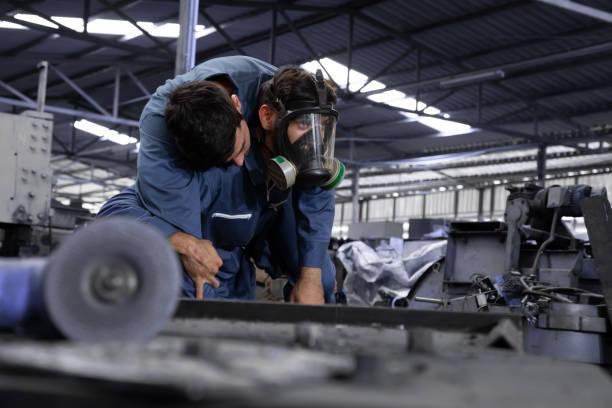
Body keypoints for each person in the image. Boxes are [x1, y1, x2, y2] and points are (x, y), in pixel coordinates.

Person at [98, 56, 340, 304]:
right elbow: (190, 241)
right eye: (230, 157)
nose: (240, 161)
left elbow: (315, 187)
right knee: (190, 273)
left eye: (242, 147)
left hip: (269, 200)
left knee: (321, 278)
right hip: (222, 207)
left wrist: (311, 276)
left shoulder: (291, 99)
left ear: (240, 106)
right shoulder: (163, 131)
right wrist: (187, 249)